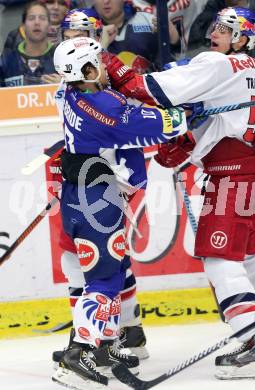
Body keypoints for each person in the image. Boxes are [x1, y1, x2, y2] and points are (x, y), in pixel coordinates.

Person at [104, 6, 255, 380]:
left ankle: (251, 341)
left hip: (234, 174)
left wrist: (104, 59)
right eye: (215, 26)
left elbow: (146, 90)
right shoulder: (250, 69)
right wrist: (184, 140)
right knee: (252, 252)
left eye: (225, 30)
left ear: (242, 39)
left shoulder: (216, 64)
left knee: (218, 258)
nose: (215, 33)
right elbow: (210, 116)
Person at [52, 36, 187, 389]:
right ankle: (76, 355)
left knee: (111, 270)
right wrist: (185, 112)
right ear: (85, 69)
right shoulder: (106, 106)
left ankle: (103, 346)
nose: (105, 68)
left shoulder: (67, 94)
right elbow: (160, 125)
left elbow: (121, 124)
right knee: (106, 279)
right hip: (98, 200)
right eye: (97, 62)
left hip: (79, 195)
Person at [52, 7, 149, 364]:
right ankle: (93, 342)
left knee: (107, 265)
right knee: (94, 264)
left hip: (101, 183)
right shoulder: (77, 85)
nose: (75, 37)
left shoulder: (110, 76)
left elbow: (131, 121)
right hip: (90, 186)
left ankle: (111, 335)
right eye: (70, 32)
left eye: (84, 32)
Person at [0, 1, 60, 86]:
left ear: (49, 26)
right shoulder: (6, 61)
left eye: (42, 18)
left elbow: (80, 95)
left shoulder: (61, 59)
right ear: (23, 26)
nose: (37, 23)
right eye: (31, 18)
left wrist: (65, 87)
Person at [94, 0, 161, 73]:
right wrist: (101, 46)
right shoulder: (84, 32)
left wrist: (174, 39)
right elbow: (87, 75)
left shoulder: (149, 21)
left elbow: (171, 59)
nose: (106, 1)